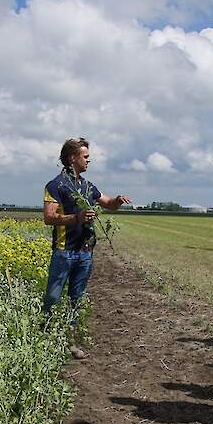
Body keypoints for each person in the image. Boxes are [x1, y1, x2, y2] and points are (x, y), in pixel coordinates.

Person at [42, 137, 130, 359]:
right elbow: (49, 218)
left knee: (76, 299)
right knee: (53, 296)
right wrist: (78, 217)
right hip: (64, 251)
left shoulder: (88, 187)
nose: (89, 161)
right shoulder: (55, 186)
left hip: (85, 253)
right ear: (73, 158)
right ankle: (43, 336)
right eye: (86, 157)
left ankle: (70, 342)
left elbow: (108, 204)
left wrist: (118, 200)